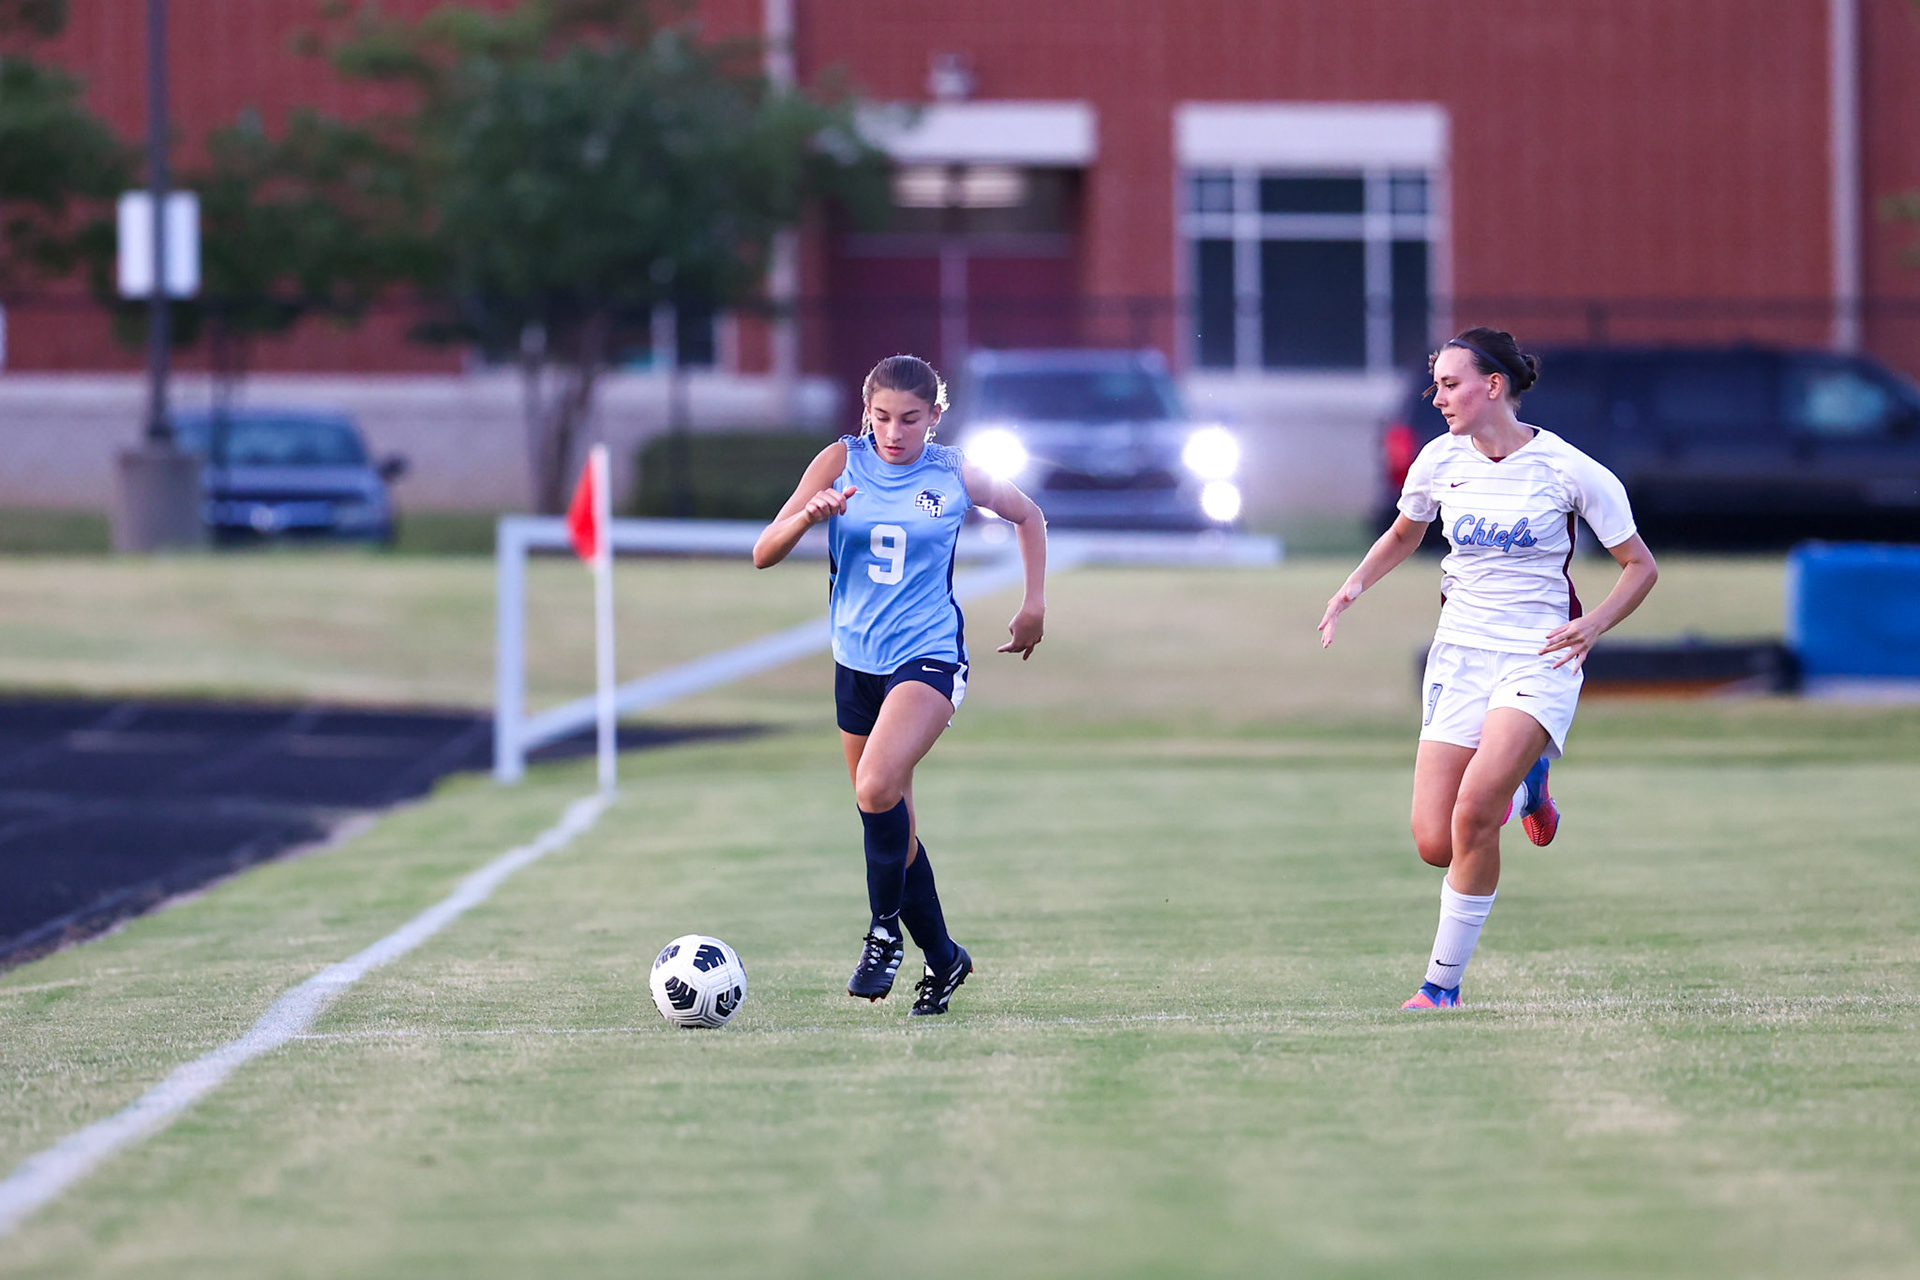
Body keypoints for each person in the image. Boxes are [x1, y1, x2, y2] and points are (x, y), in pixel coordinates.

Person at [1317, 327, 1658, 1009]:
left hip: (1539, 657)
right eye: (1435, 384)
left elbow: (1639, 567)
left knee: (1475, 813)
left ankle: (1441, 987)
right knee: (1435, 843)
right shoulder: (1438, 461)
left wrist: (1592, 625)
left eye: (1449, 383)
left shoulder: (1569, 469)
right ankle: (1529, 785)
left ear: (1492, 385)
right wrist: (1351, 587)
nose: (1437, 397)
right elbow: (1404, 533)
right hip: (1461, 656)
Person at [753, 354, 1047, 1016]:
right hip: (855, 663)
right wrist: (809, 517)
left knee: (876, 787)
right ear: (865, 414)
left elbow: (1028, 516)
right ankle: (943, 961)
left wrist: (1033, 604)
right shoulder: (839, 461)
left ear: (936, 418)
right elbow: (763, 550)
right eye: (882, 418)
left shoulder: (952, 472)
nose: (894, 433)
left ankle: (884, 933)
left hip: (928, 657)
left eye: (911, 419)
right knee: (893, 821)